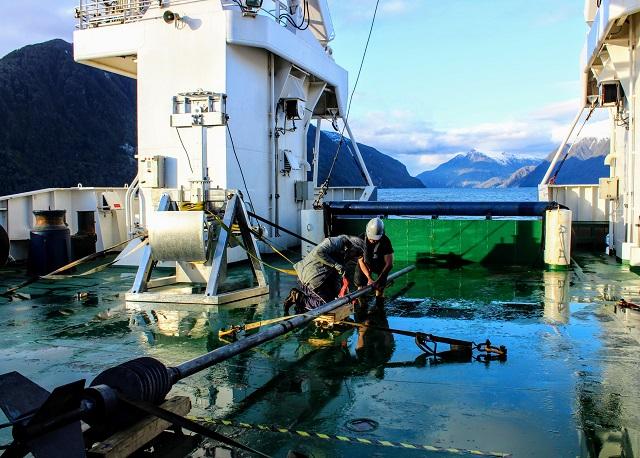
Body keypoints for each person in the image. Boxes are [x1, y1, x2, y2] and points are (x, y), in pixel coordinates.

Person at [284, 235, 366, 314]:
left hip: (319, 278)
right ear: (353, 248)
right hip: (310, 277)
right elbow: (318, 252)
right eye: (356, 255)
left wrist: (340, 296)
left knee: (334, 302)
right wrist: (335, 264)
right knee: (325, 307)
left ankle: (308, 298)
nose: (354, 259)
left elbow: (336, 277)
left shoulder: (346, 255)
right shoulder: (336, 242)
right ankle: (299, 298)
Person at [354, 217, 394, 303]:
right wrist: (369, 278)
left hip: (380, 263)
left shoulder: (385, 241)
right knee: (360, 284)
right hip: (365, 262)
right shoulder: (359, 240)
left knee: (380, 286)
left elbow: (389, 264)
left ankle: (379, 303)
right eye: (371, 238)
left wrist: (379, 280)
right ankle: (362, 304)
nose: (373, 241)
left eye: (376, 239)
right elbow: (361, 261)